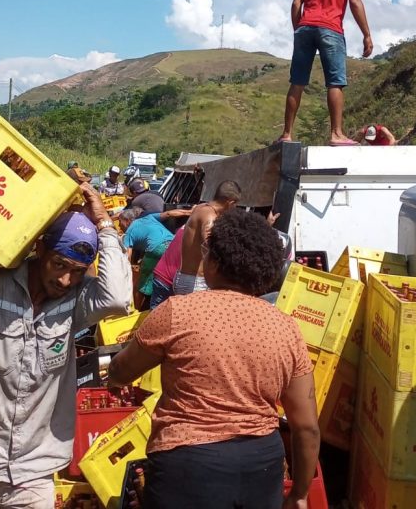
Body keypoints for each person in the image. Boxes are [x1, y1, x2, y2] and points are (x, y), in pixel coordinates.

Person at [0, 184, 131, 509]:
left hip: (32, 469)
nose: (65, 280)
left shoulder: (75, 301)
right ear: (39, 248)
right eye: (59, 265)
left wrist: (105, 225)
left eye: (77, 272)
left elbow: (119, 299)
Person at [108, 209, 319, 509]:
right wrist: (299, 493)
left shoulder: (177, 312)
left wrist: (114, 379)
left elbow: (122, 369)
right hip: (261, 465)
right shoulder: (287, 329)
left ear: (215, 262)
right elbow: (307, 426)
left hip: (187, 463)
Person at [278, 0, 373, 146]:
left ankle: (286, 134)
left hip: (305, 27)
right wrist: (366, 34)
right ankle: (336, 134)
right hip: (331, 28)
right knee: (335, 82)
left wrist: (299, 30)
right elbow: (355, 2)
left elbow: (296, 4)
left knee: (297, 82)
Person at [174, 180, 241, 295]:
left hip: (185, 277)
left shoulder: (200, 208)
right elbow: (212, 245)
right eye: (235, 205)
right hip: (196, 282)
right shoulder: (210, 217)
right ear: (230, 203)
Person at [118, 207, 191, 305]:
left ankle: (137, 308)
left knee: (142, 283)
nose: (119, 225)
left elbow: (127, 255)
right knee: (172, 276)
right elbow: (169, 213)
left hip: (157, 248)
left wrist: (123, 273)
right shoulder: (149, 217)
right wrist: (189, 212)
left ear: (127, 221)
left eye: (120, 221)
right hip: (175, 244)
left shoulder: (129, 232)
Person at [150, 226, 185, 309]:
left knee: (156, 314)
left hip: (162, 275)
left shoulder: (187, 225)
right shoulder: (208, 229)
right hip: (176, 280)